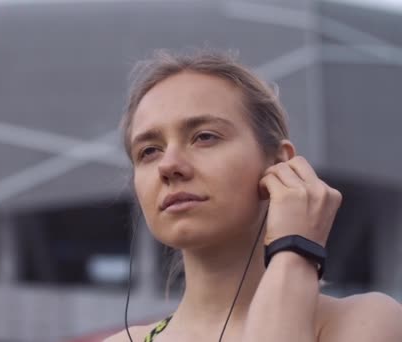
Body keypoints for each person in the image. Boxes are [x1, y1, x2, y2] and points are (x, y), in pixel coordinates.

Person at [105, 49, 402, 342]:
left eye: (205, 136)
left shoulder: (364, 323)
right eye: (149, 151)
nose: (168, 165)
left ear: (278, 163)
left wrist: (295, 249)